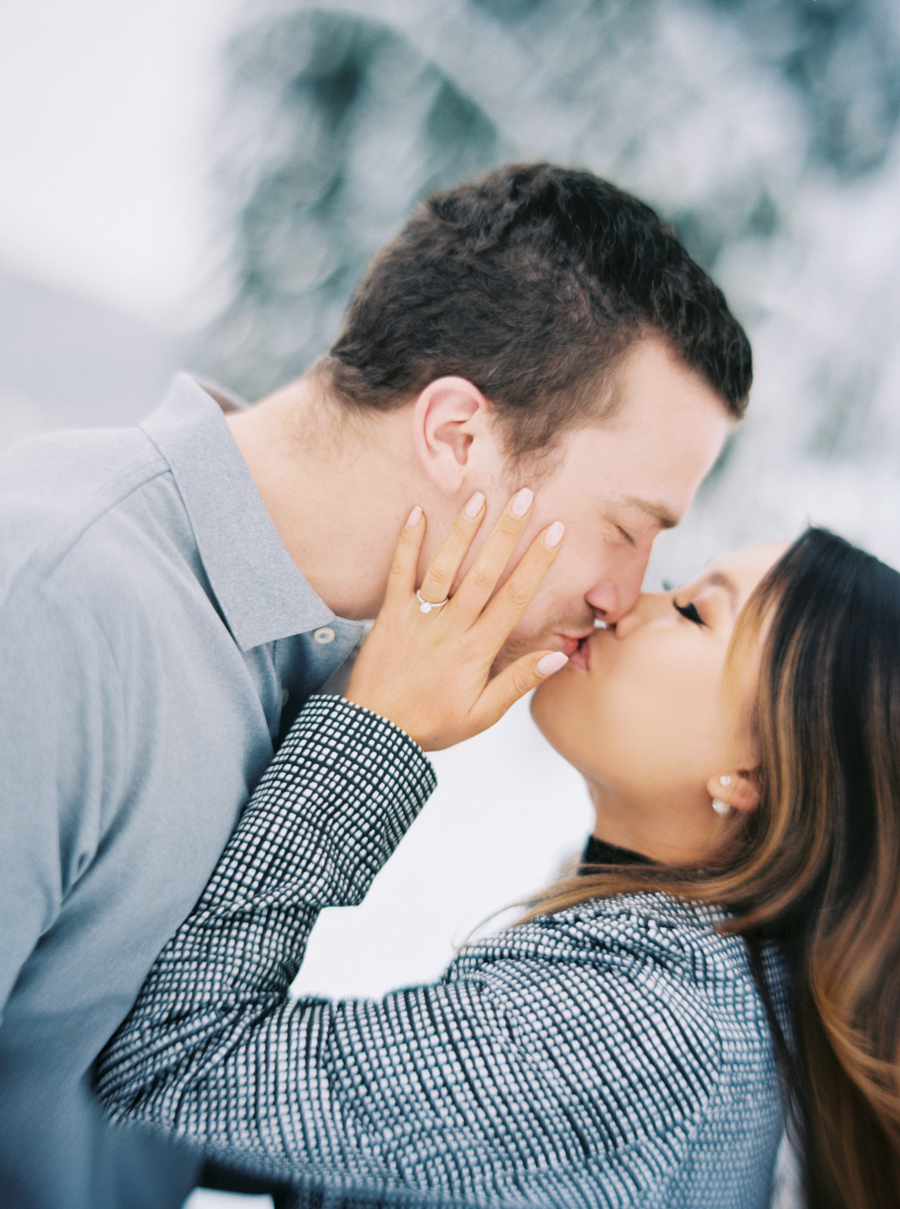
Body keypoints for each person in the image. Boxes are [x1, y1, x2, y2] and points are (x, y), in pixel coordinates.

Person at [0, 164, 749, 1209]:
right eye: (627, 527)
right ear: (459, 436)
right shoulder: (48, 607)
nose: (626, 596)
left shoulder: (322, 662)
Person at [96, 508, 900, 1208]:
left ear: (755, 774)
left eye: (691, 611)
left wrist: (377, 725)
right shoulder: (694, 977)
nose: (624, 601)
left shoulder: (644, 1029)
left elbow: (175, 1063)